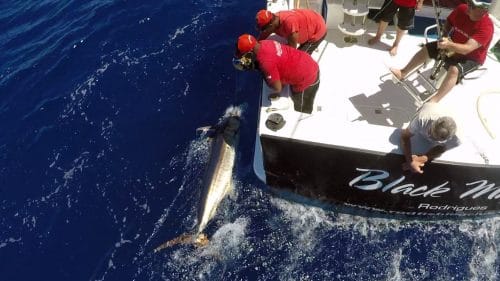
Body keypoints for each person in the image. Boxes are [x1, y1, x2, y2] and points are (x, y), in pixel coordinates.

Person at [390, 0, 494, 102]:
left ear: (484, 9)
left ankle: (434, 101)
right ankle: (402, 73)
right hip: (452, 43)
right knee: (427, 48)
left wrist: (449, 45)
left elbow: (467, 49)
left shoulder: (486, 27)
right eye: (469, 3)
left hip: (471, 57)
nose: (468, 8)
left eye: (472, 5)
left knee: (454, 70)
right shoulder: (462, 9)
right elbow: (449, 22)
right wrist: (445, 36)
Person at [233, 34, 320, 114]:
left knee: (300, 106)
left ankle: (304, 113)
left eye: (243, 55)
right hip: (308, 61)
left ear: (250, 52)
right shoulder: (264, 42)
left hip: (309, 77)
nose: (243, 57)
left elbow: (277, 88)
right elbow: (275, 60)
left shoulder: (266, 64)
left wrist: (260, 70)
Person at [400, 102, 460, 174]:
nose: (430, 137)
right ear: (432, 123)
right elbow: (405, 136)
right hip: (429, 107)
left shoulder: (457, 140)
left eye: (436, 139)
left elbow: (442, 148)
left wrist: (420, 160)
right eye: (430, 132)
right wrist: (410, 161)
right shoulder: (422, 119)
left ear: (450, 138)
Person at [255, 9, 327, 54]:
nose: (263, 31)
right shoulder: (274, 20)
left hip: (318, 30)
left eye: (263, 29)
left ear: (270, 25)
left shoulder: (289, 24)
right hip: (309, 20)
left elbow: (292, 49)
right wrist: (255, 46)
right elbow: (265, 34)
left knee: (298, 58)